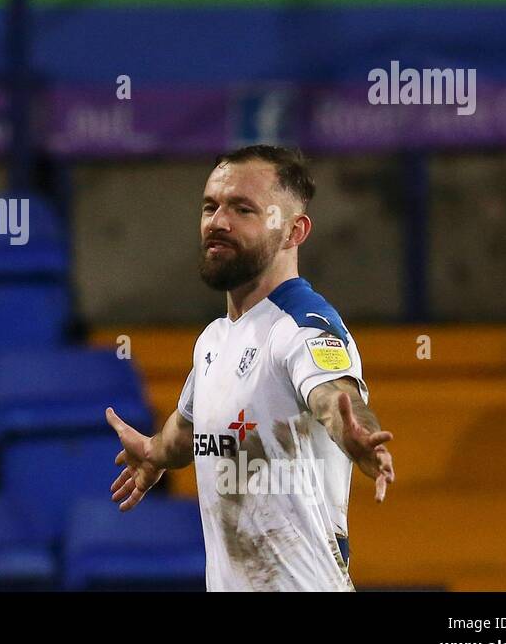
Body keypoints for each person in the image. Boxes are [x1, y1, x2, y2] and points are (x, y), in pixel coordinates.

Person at [105, 144, 395, 591]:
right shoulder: (215, 341)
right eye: (210, 206)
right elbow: (186, 434)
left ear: (294, 231)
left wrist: (354, 433)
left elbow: (334, 397)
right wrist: (155, 453)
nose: (218, 222)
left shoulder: (302, 328)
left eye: (243, 209)